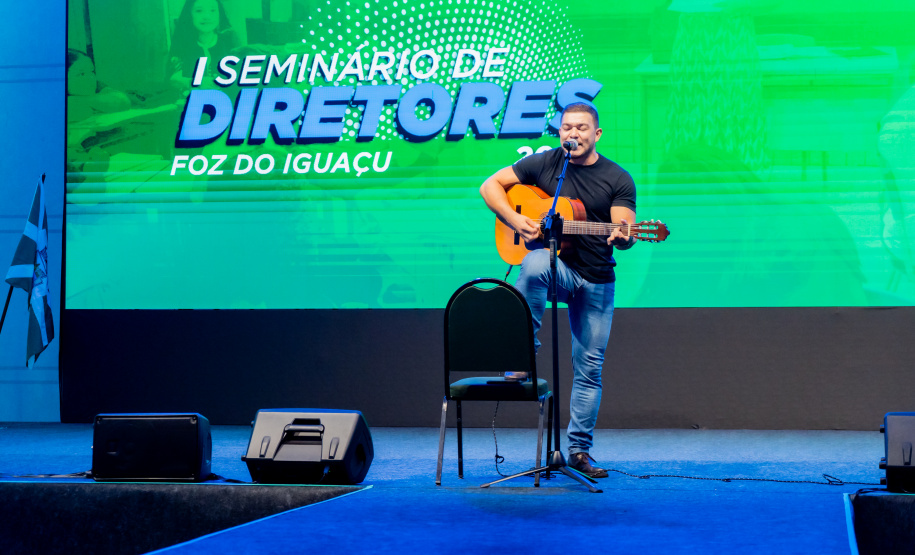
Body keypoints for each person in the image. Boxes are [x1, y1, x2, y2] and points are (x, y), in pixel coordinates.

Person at [479, 103, 637, 479]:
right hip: (558, 268)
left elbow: (625, 227)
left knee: (589, 370)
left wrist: (624, 235)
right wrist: (516, 218)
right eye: (567, 127)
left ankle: (579, 452)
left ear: (596, 134)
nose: (574, 134)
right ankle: (523, 353)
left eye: (582, 128)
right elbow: (490, 186)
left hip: (596, 279)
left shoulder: (617, 178)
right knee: (532, 263)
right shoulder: (545, 163)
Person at [167, 0, 241, 91]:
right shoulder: (182, 42)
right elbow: (173, 79)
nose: (207, 16)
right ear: (190, 14)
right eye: (199, 11)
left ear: (219, 14)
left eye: (213, 10)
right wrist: (196, 82)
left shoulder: (230, 39)